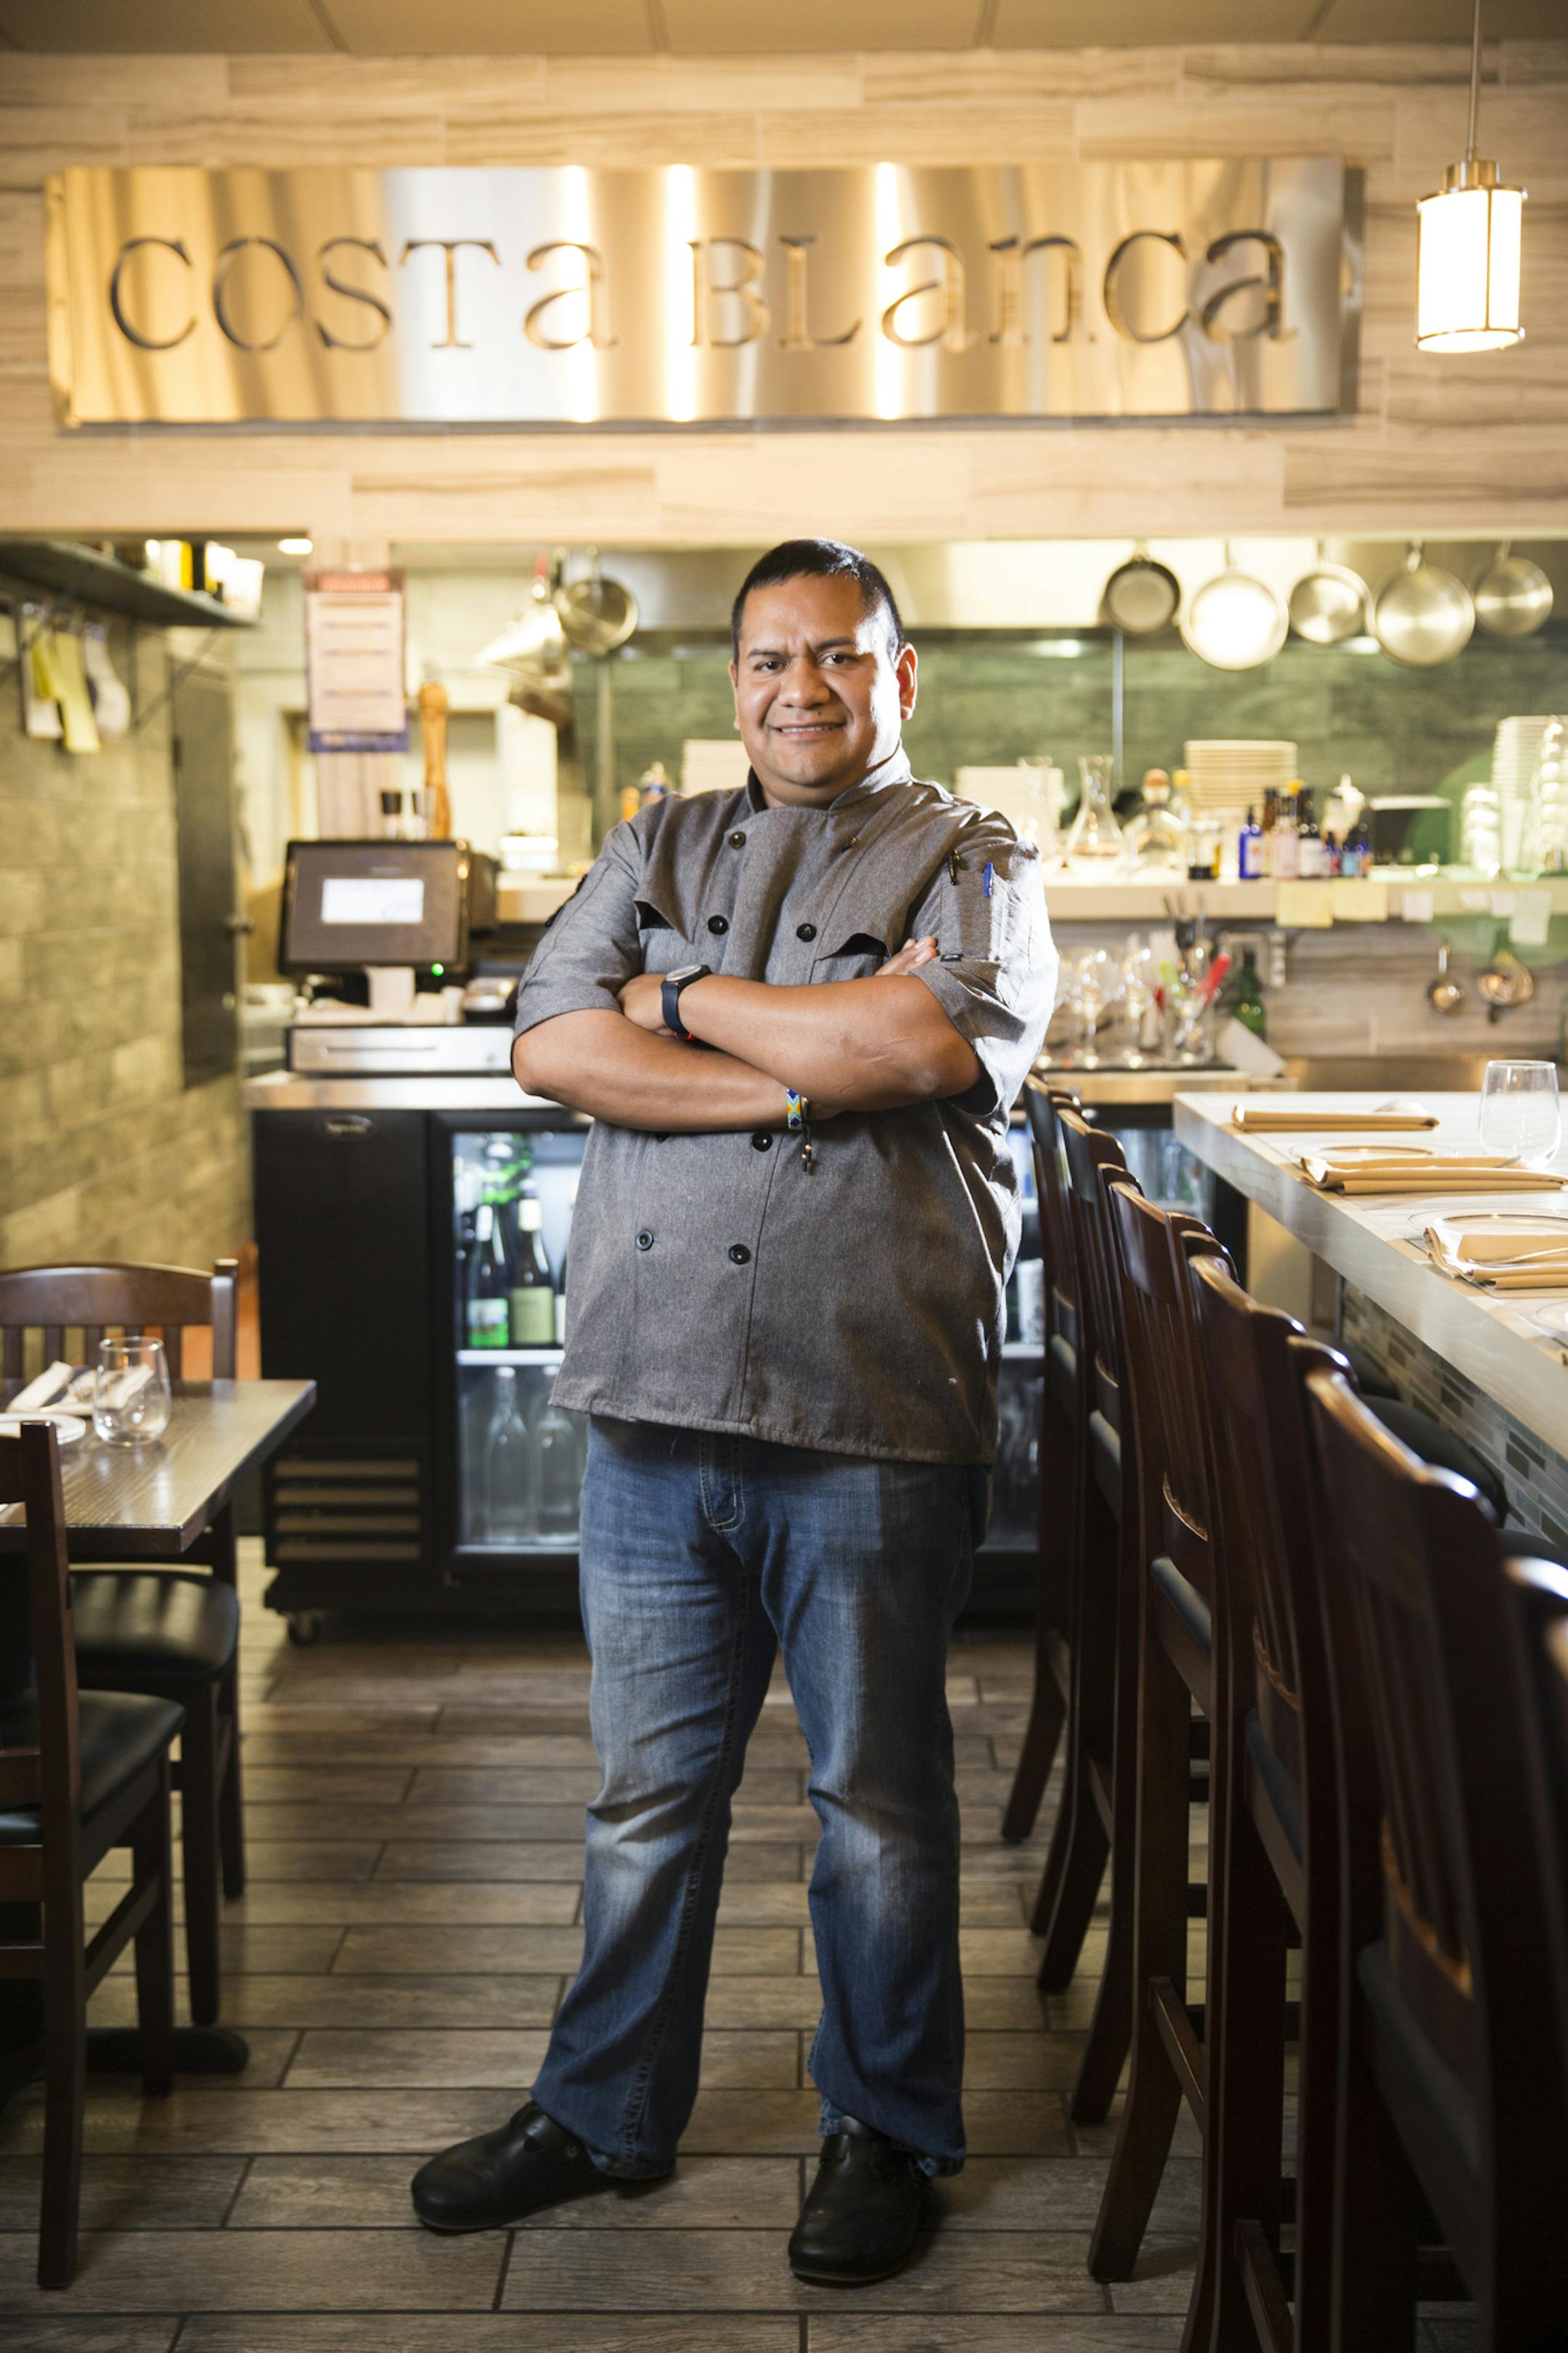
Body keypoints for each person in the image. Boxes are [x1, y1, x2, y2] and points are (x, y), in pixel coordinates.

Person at [411, 537, 1058, 2284]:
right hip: (648, 1410)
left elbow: (924, 1049)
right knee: (644, 1797)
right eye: (773, 658)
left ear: (900, 676)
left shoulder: (976, 858)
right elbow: (551, 1040)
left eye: (840, 657)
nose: (802, 688)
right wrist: (791, 1079)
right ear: (735, 683)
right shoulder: (657, 840)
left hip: (866, 1409)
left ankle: (889, 2129)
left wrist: (685, 1008)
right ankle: (603, 2110)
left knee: (876, 1807)